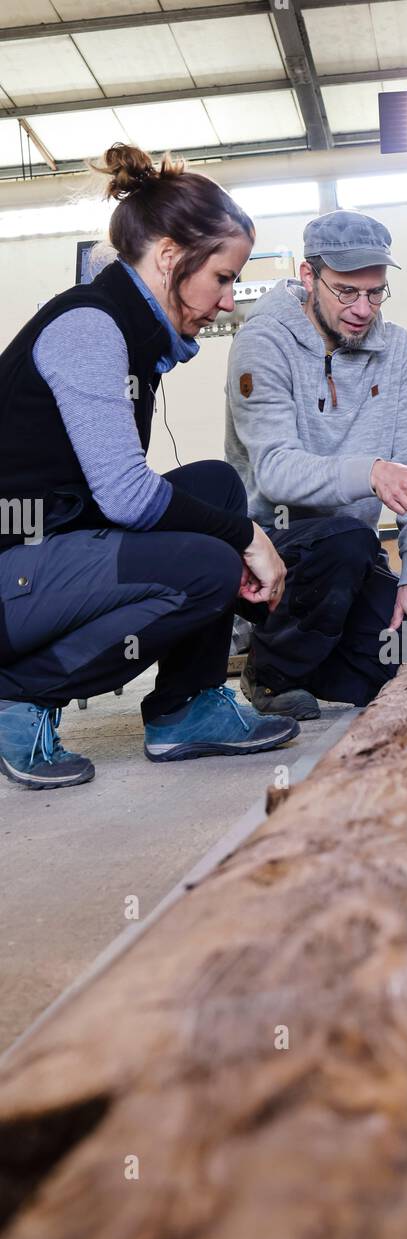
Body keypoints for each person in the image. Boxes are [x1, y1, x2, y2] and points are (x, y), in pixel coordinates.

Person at [0, 143, 298, 790]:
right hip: (11, 576)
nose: (227, 301)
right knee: (209, 561)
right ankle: (17, 694)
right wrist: (248, 538)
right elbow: (127, 498)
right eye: (221, 278)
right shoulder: (90, 327)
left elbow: (117, 500)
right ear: (169, 256)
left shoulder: (133, 332)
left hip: (45, 555)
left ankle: (184, 710)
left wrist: (232, 529)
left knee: (216, 488)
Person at [224, 209, 407, 721]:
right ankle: (270, 670)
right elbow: (276, 470)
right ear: (309, 278)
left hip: (350, 560)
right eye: (346, 292)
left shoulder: (394, 347)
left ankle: (316, 661)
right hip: (273, 551)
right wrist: (371, 472)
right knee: (344, 540)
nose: (362, 309)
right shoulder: (262, 342)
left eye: (375, 293)